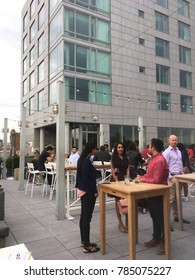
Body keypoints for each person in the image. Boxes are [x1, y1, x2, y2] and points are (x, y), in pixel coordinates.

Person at [139, 138, 169, 255]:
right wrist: (141, 178)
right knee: (154, 216)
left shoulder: (160, 160)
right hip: (152, 192)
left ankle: (164, 241)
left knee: (161, 217)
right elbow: (149, 174)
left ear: (153, 148)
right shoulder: (153, 159)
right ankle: (156, 238)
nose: (148, 148)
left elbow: (156, 180)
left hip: (159, 192)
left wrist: (142, 179)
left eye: (149, 146)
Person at [75, 142, 100, 254]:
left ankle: (84, 241)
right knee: (86, 218)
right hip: (87, 192)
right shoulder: (86, 161)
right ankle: (87, 245)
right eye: (95, 149)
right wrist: (94, 191)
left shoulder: (84, 159)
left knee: (84, 217)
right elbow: (86, 178)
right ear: (92, 150)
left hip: (83, 190)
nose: (96, 151)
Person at [163, 135, 190, 225]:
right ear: (169, 141)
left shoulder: (178, 151)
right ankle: (166, 221)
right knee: (170, 199)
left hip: (179, 177)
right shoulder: (167, 152)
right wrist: (170, 177)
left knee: (177, 199)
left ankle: (177, 217)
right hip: (172, 177)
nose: (174, 141)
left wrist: (182, 174)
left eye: (176, 140)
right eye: (172, 140)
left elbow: (180, 163)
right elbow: (164, 166)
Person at [110, 142, 130, 233]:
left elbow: (128, 170)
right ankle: (120, 223)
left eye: (122, 147)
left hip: (125, 180)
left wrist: (127, 179)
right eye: (118, 147)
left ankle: (127, 222)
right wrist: (117, 181)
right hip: (116, 180)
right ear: (116, 148)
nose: (120, 149)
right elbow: (113, 171)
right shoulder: (113, 158)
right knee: (117, 201)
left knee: (126, 201)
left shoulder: (126, 158)